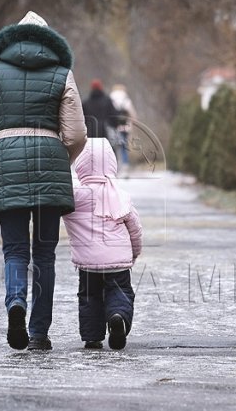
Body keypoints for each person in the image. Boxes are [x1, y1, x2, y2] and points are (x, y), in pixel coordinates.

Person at [0, 11, 87, 351]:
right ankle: (38, 334)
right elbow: (76, 133)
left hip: (8, 165)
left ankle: (15, 303)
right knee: (45, 254)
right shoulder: (63, 73)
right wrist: (61, 160)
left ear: (15, 37)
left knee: (15, 250)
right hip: (50, 162)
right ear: (49, 41)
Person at [63, 138, 143, 350]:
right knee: (120, 292)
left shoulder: (73, 196)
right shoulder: (119, 195)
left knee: (89, 296)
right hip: (118, 261)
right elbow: (134, 227)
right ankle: (118, 317)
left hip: (87, 262)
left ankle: (92, 337)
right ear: (111, 164)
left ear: (78, 164)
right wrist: (135, 251)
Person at [82, 79, 121, 144]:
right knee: (106, 152)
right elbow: (114, 115)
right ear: (101, 87)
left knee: (91, 152)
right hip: (105, 132)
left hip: (90, 133)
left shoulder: (86, 103)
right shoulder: (107, 100)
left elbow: (82, 119)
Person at [109, 84, 138, 168]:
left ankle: (114, 164)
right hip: (125, 126)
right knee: (124, 146)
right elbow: (132, 113)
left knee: (113, 146)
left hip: (114, 126)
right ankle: (125, 164)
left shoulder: (110, 99)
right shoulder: (126, 100)